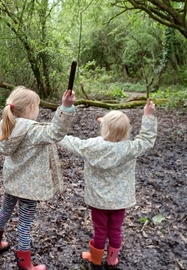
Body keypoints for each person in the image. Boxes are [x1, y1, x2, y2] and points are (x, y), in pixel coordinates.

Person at [58, 99, 157, 270]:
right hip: (120, 201)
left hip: (98, 201)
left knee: (100, 230)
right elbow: (147, 139)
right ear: (127, 131)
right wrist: (148, 116)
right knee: (116, 230)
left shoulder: (91, 146)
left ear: (104, 128)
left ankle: (95, 259)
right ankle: (112, 260)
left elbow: (70, 142)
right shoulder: (130, 148)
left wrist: (54, 132)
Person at [0, 86, 76, 270]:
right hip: (29, 188)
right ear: (30, 107)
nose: (38, 110)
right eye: (37, 106)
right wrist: (66, 108)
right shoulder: (33, 130)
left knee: (4, 212)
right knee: (25, 224)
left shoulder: (7, 124)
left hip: (12, 183)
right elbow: (55, 132)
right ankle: (25, 263)